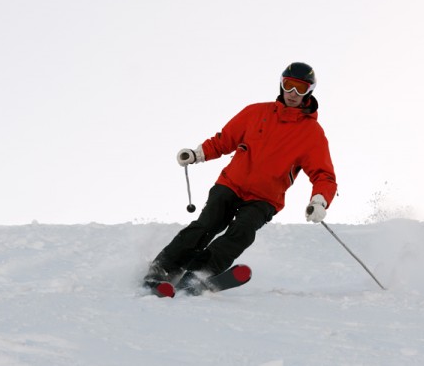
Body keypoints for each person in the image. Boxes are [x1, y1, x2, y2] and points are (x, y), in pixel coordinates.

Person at [143, 62, 337, 290]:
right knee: (207, 224)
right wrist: (197, 154)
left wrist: (319, 201)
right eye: (289, 85)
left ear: (309, 92)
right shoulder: (256, 112)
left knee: (242, 232)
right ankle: (165, 266)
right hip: (231, 184)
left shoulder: (312, 133)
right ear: (281, 84)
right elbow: (224, 140)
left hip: (265, 198)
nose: (293, 93)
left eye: (301, 88)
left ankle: (200, 272)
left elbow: (323, 174)